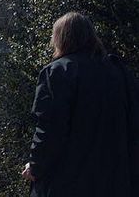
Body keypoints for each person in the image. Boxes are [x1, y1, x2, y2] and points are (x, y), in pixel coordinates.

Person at [22, 12, 139, 196]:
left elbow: (51, 129)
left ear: (60, 38)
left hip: (68, 181)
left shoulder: (58, 72)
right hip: (114, 180)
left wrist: (36, 166)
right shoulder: (118, 71)